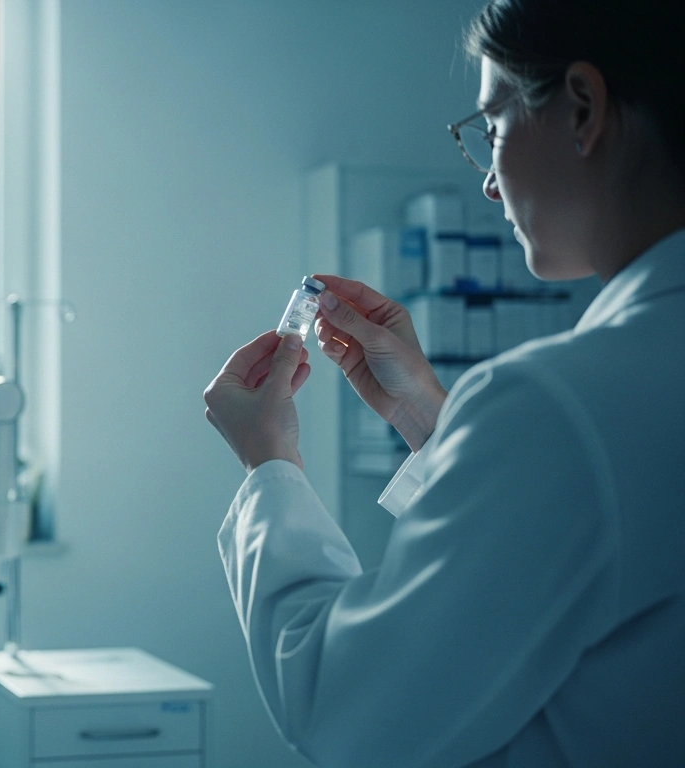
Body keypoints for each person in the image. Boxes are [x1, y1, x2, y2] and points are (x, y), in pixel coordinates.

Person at [201, 1, 685, 765]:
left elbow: (345, 711)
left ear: (584, 110)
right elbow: (570, 553)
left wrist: (270, 467)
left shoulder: (560, 405)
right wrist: (426, 417)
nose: (489, 186)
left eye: (491, 128)